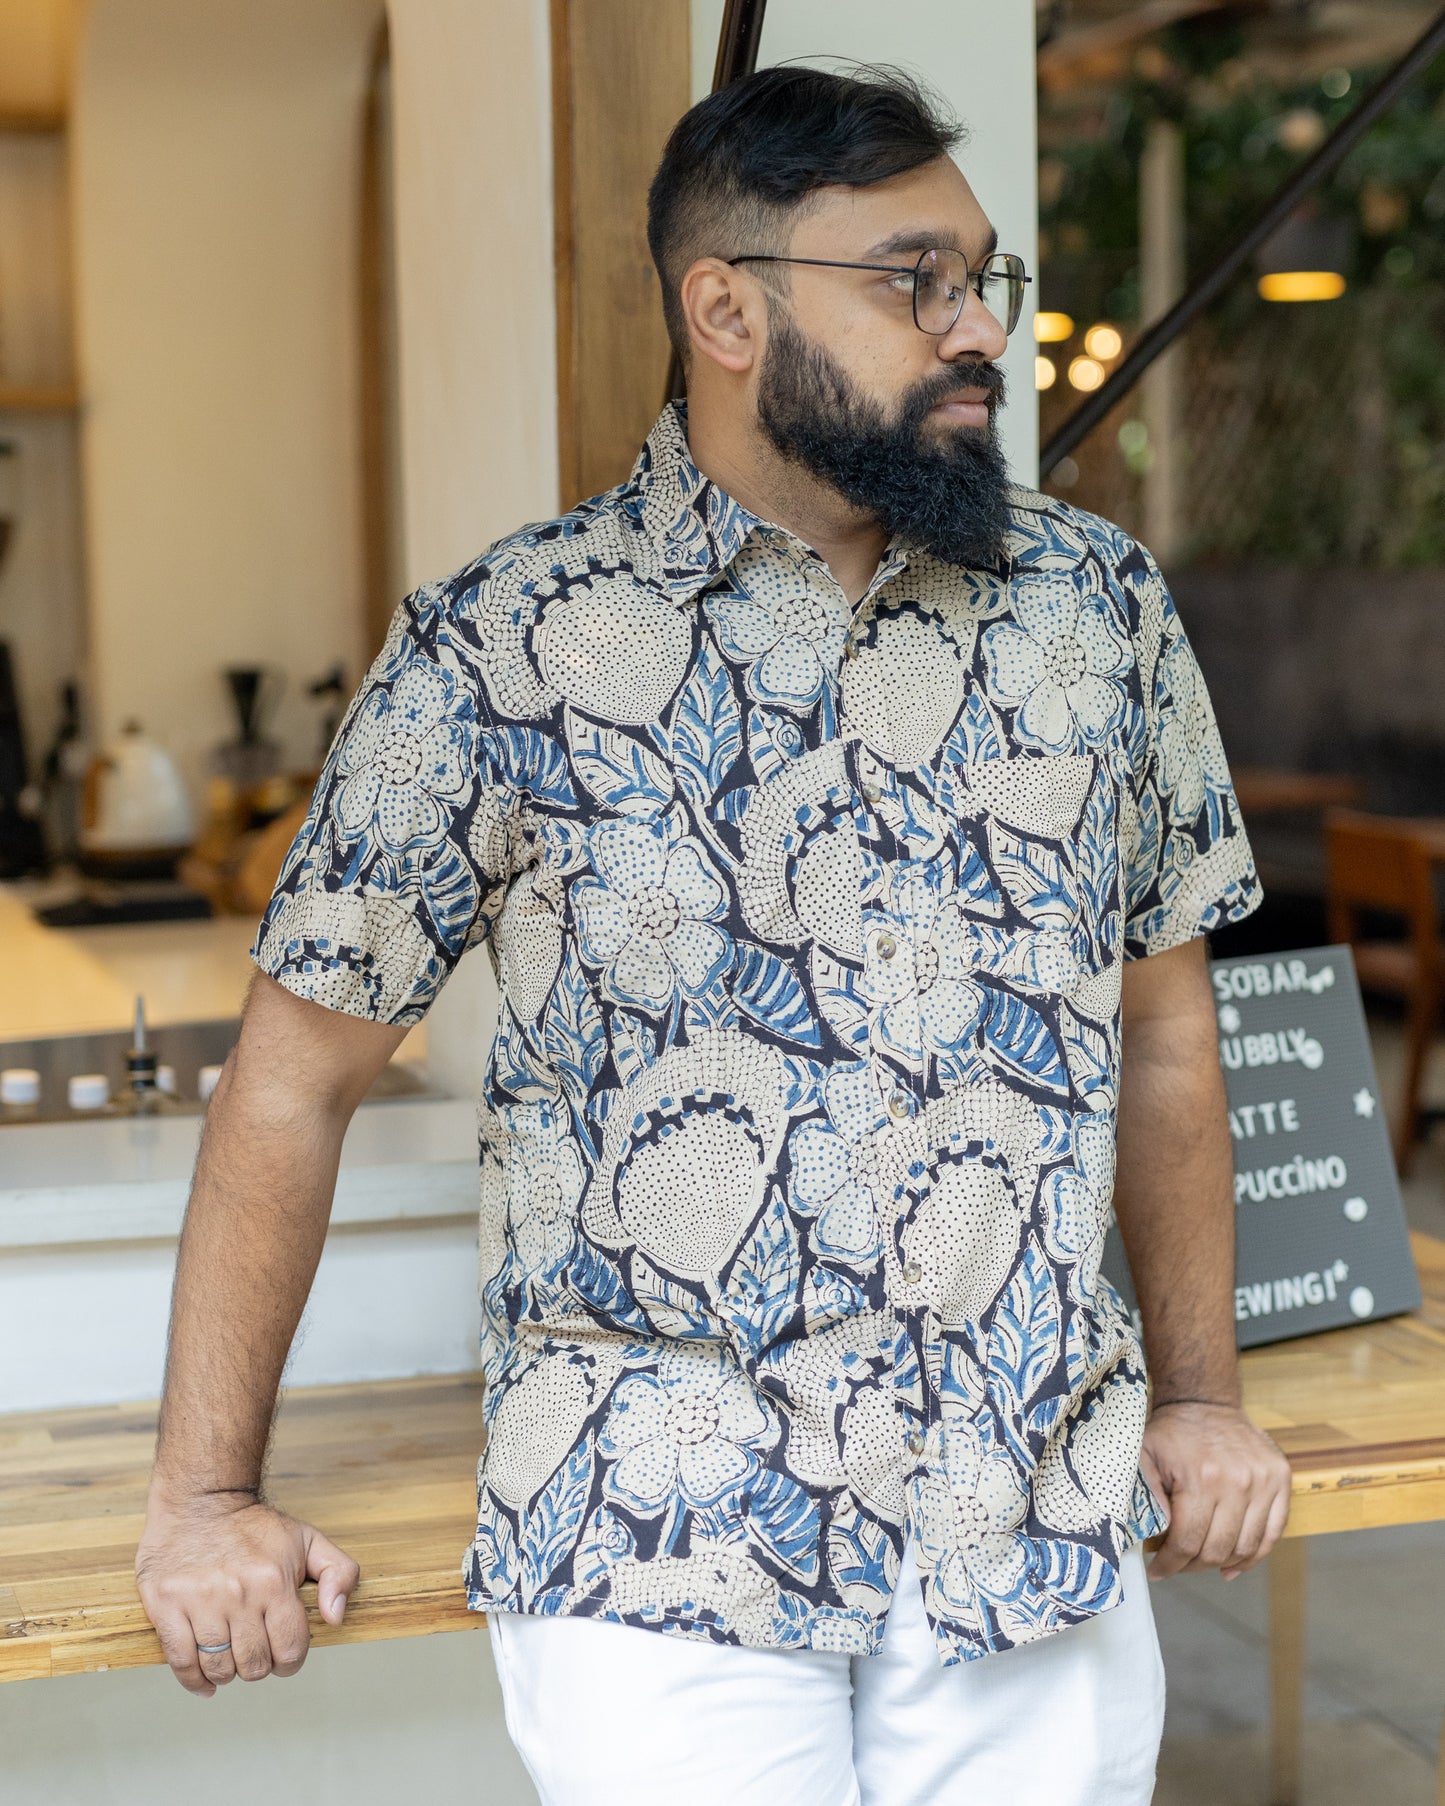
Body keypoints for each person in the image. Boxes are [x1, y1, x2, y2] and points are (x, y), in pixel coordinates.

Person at [136, 63, 1291, 1806]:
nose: (977, 328)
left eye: (980, 276)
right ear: (727, 309)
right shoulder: (503, 646)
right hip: (661, 1535)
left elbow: (1166, 1037)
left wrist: (1198, 1398)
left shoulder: (1097, 612)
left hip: (1028, 1508)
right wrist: (206, 1499)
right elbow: (291, 1083)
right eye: (913, 280)